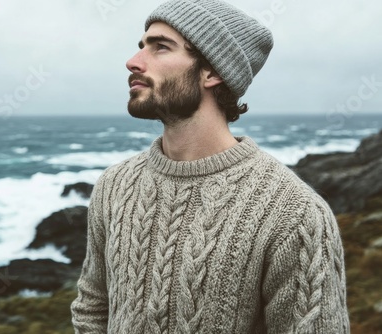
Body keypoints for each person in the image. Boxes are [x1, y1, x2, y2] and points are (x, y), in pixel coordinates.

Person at [71, 0, 350, 333]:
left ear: (213, 72)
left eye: (160, 47)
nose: (133, 62)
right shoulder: (114, 185)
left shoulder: (295, 214)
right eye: (141, 46)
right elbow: (92, 308)